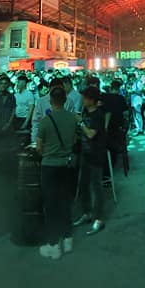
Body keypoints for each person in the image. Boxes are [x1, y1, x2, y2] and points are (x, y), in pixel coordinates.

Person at [36, 85, 77, 260]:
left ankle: (53, 245)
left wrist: (48, 151)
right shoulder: (72, 118)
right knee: (65, 202)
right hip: (66, 166)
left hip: (49, 167)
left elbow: (38, 148)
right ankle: (67, 239)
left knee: (51, 205)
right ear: (65, 100)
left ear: (51, 101)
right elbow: (74, 140)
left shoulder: (45, 121)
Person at [75, 86, 107, 235]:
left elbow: (91, 134)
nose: (82, 100)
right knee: (83, 185)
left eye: (85, 98)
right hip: (85, 153)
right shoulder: (85, 111)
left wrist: (80, 122)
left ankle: (98, 218)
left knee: (96, 187)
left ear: (92, 100)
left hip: (96, 154)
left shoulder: (98, 115)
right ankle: (86, 213)